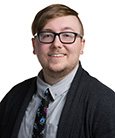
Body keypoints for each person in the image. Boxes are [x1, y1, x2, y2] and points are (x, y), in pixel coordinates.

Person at [0, 4, 115, 138]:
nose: (56, 44)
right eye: (47, 35)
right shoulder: (14, 97)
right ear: (34, 45)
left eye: (67, 35)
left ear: (82, 45)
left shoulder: (106, 104)